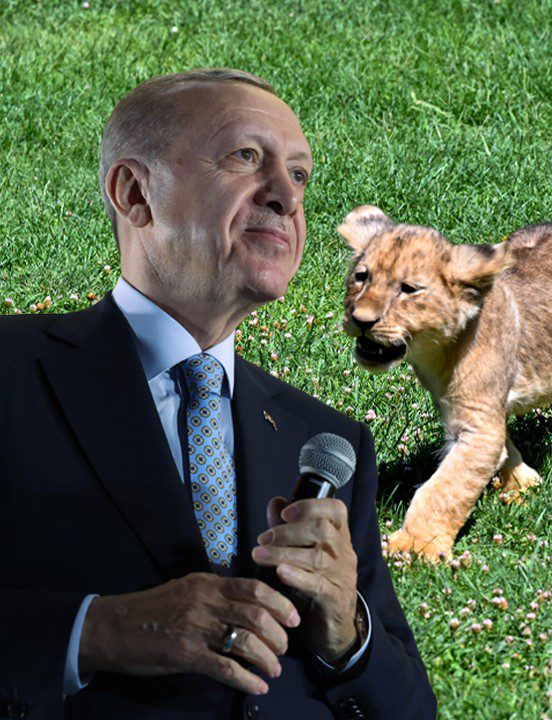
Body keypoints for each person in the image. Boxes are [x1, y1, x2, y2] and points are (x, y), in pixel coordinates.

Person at [0, 69, 437, 719]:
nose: (286, 197)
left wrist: (347, 632)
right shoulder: (13, 370)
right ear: (135, 192)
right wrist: (95, 632)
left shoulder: (329, 442)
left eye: (299, 175)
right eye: (244, 157)